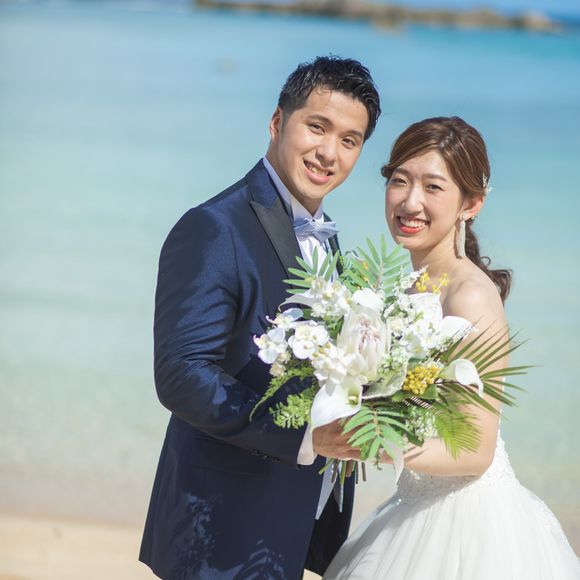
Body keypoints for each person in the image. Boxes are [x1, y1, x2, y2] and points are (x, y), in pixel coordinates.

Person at [139, 56, 380, 579]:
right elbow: (182, 375)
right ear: (277, 122)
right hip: (219, 527)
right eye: (316, 127)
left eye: (349, 140)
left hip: (287, 523)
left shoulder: (327, 237)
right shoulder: (213, 227)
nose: (329, 152)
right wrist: (304, 437)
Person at [323, 116, 580, 579]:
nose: (410, 201)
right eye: (399, 180)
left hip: (470, 526)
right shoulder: (405, 289)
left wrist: (366, 442)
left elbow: (475, 452)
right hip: (413, 506)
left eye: (433, 187)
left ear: (471, 203)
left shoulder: (470, 295)